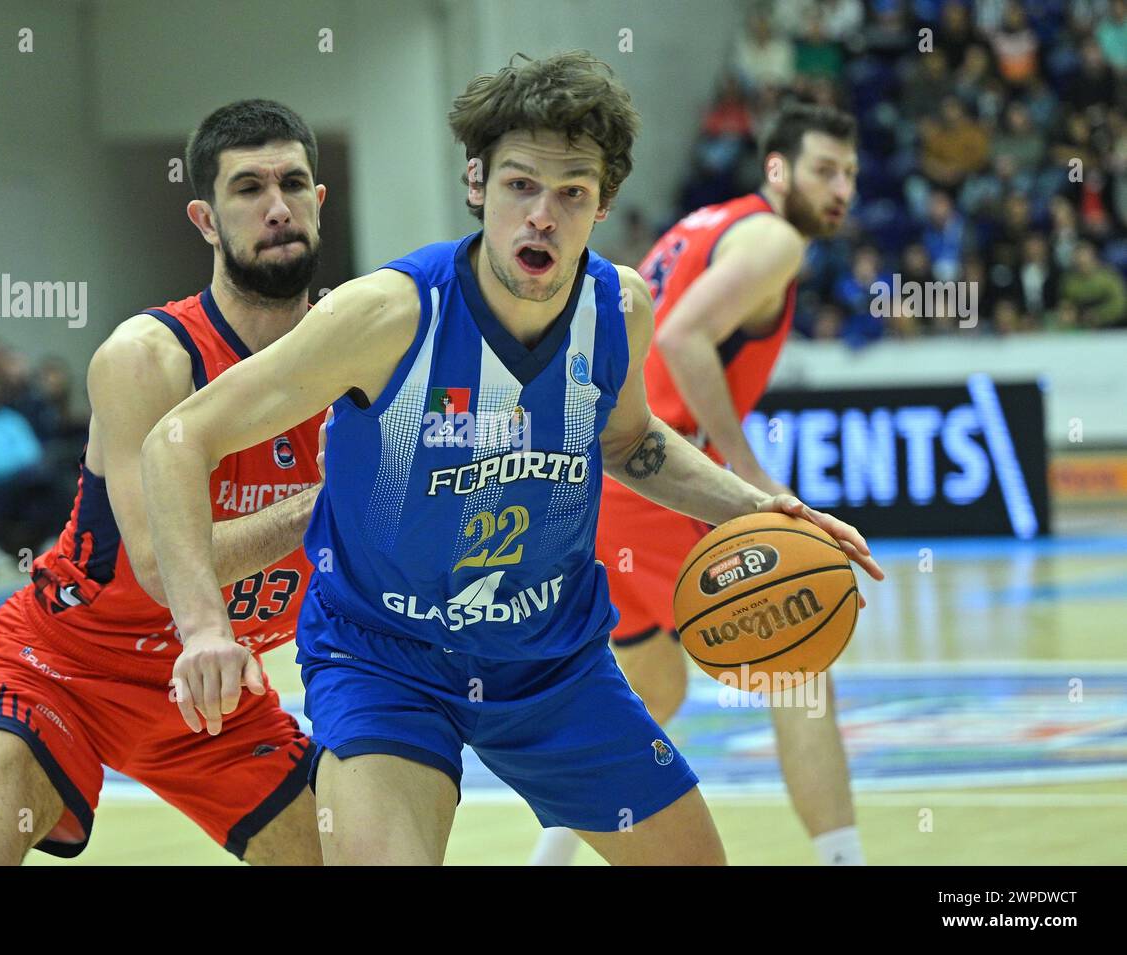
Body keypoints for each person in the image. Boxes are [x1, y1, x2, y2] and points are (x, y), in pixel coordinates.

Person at [141, 52, 882, 866]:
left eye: (572, 192)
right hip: (385, 659)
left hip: (550, 661)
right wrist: (206, 626)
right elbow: (179, 437)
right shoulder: (388, 314)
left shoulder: (619, 308)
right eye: (520, 185)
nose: (543, 215)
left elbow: (630, 442)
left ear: (602, 204)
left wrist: (757, 508)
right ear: (476, 185)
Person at [0, 99, 329, 865]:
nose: (277, 207)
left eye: (293, 183)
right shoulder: (149, 355)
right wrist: (331, 501)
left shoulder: (365, 350)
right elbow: (162, 564)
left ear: (319, 199)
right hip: (63, 669)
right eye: (248, 189)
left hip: (218, 696)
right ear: (205, 218)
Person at [534, 103, 873, 868]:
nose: (841, 187)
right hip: (659, 478)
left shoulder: (707, 220)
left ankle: (547, 859)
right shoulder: (776, 240)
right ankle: (846, 859)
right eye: (824, 169)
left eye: (850, 172)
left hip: (602, 477)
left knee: (651, 690)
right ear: (778, 171)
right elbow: (683, 336)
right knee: (799, 673)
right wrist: (746, 473)